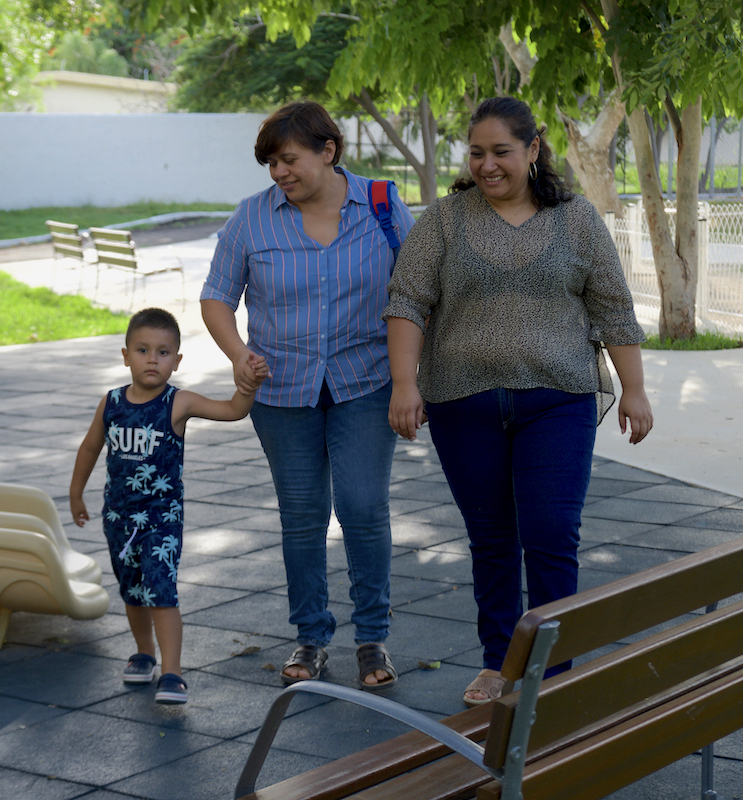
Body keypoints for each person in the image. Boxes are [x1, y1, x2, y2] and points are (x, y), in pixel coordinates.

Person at [383, 96, 654, 707]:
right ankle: (499, 662)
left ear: (532, 151)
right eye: (476, 153)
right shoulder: (446, 220)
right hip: (462, 402)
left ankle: (553, 674)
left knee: (551, 532)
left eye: (501, 151)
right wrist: (405, 383)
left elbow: (613, 306)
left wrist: (633, 388)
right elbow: (406, 301)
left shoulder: (578, 220)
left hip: (557, 401)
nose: (487, 164)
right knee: (492, 538)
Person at [201, 101, 414, 691]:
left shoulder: (379, 205)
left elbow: (418, 291)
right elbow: (217, 296)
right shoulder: (251, 219)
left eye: (288, 159)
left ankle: (372, 639)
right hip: (281, 390)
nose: (278, 173)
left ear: (328, 151)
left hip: (366, 381)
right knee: (302, 518)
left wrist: (409, 379)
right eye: (271, 163)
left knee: (364, 509)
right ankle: (311, 635)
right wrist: (238, 353)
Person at [69, 308, 266, 705]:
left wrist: (249, 386)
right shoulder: (110, 403)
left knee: (161, 589)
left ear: (176, 362)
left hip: (161, 520)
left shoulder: (179, 403)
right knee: (132, 590)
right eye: (143, 350)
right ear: (126, 355)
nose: (152, 359)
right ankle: (144, 653)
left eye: (162, 352)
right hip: (118, 517)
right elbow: (91, 447)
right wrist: (76, 493)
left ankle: (172, 672)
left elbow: (232, 410)